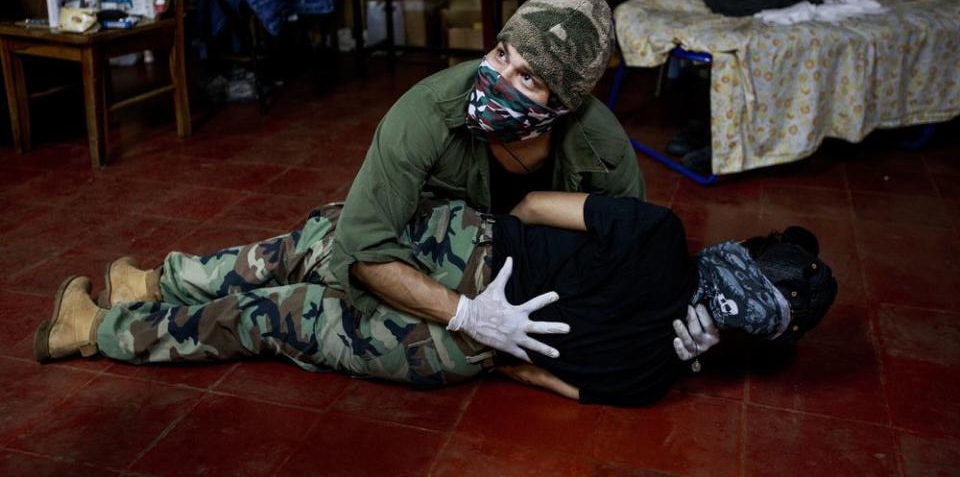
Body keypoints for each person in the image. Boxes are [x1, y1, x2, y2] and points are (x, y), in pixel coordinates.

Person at [34, 192, 837, 407]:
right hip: (457, 353)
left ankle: (150, 285)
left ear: (742, 253)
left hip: (468, 253)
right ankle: (101, 326)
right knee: (276, 320)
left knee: (315, 244)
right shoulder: (648, 381)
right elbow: (536, 378)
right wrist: (479, 339)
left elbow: (530, 209)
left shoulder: (660, 236)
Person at [329, 0, 714, 362]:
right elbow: (363, 246)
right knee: (336, 284)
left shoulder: (603, 146)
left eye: (528, 77)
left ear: (563, 105)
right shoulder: (427, 112)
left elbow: (633, 247)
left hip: (522, 275)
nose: (499, 79)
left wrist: (683, 314)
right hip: (421, 251)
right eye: (501, 54)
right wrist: (469, 316)